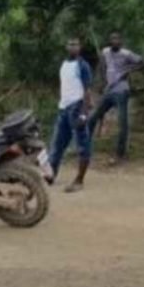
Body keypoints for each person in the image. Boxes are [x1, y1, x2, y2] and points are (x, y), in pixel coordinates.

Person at [88, 31, 144, 164]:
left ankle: (120, 154)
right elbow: (102, 67)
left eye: (117, 39)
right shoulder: (105, 51)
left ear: (121, 41)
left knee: (122, 123)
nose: (115, 41)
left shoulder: (126, 53)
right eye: (112, 39)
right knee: (93, 117)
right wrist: (102, 83)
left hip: (121, 91)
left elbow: (143, 62)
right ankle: (85, 147)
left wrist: (128, 70)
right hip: (109, 90)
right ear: (109, 41)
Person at [47, 38, 94, 193]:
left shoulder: (82, 65)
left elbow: (87, 91)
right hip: (63, 108)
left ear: (80, 47)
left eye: (76, 45)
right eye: (70, 44)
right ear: (66, 47)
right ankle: (51, 174)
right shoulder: (64, 64)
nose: (73, 47)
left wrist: (84, 114)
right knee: (57, 144)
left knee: (82, 145)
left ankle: (79, 180)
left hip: (77, 107)